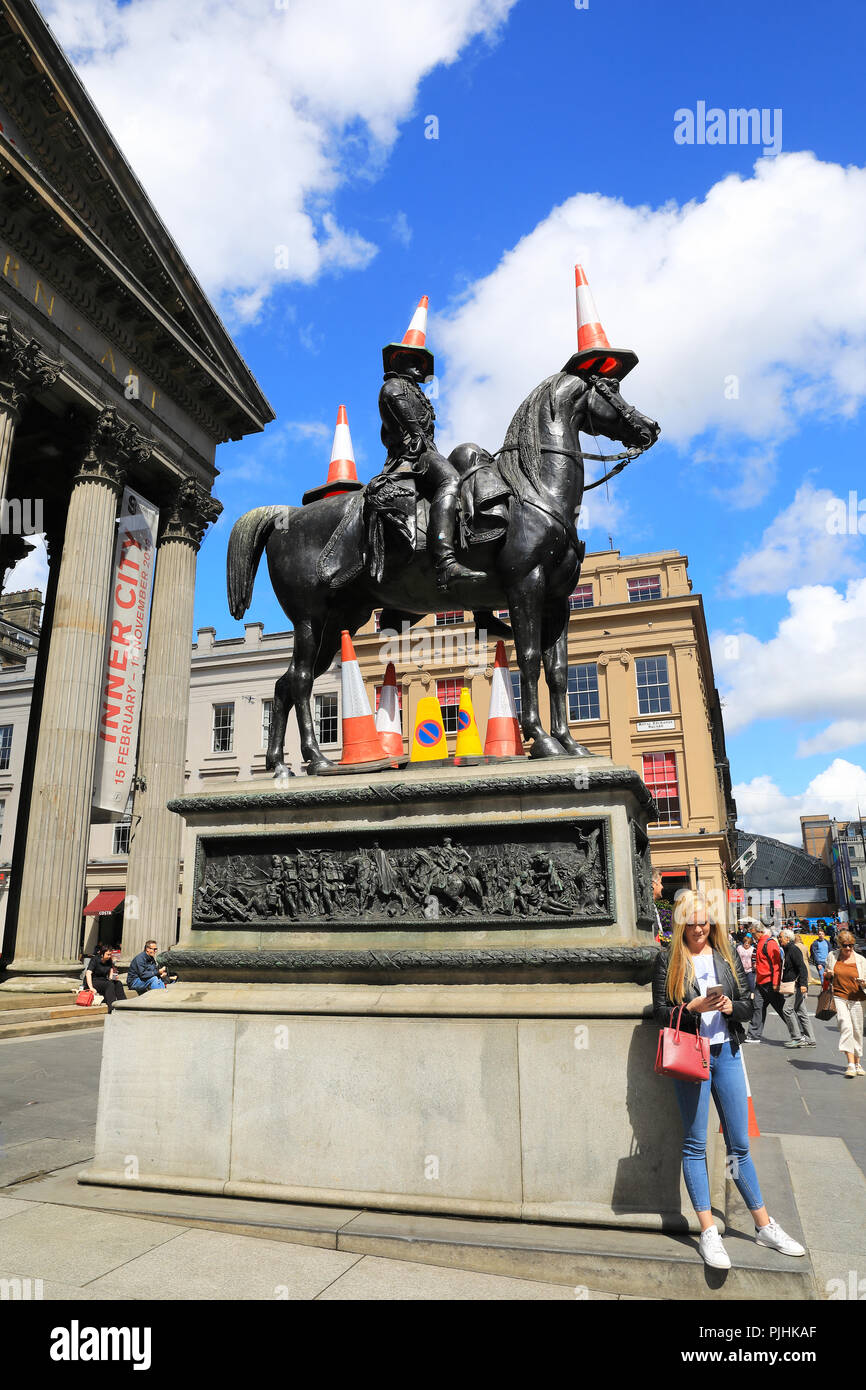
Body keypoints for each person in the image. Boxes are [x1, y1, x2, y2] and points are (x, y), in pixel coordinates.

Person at [652, 891, 805, 1269]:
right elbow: (659, 1011)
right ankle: (708, 1231)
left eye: (704, 922)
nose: (699, 928)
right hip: (692, 1056)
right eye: (692, 923)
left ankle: (764, 1225)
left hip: (728, 1054)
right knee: (694, 1144)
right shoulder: (668, 961)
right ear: (680, 924)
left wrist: (727, 1006)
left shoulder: (725, 957)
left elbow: (749, 1005)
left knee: (739, 1144)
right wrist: (690, 1007)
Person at [823, 930, 866, 1078]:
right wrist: (828, 975)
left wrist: (864, 983)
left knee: (857, 1031)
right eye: (845, 945)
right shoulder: (832, 956)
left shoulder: (861, 960)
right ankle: (850, 1064)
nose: (848, 948)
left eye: (851, 945)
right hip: (839, 996)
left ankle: (857, 1061)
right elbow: (828, 976)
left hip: (858, 998)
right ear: (840, 945)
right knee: (846, 1026)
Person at [745, 923, 797, 1043]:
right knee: (757, 1007)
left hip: (769, 983)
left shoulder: (769, 943)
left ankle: (798, 1033)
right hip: (761, 982)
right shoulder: (761, 943)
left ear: (759, 932)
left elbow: (776, 965)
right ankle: (753, 1035)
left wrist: (775, 983)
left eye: (753, 933)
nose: (752, 936)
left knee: (781, 1009)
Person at [778, 928, 816, 1048]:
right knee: (801, 1011)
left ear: (787, 938)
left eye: (780, 937)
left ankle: (797, 1037)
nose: (779, 939)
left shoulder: (793, 949)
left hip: (796, 985)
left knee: (787, 1010)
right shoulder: (787, 949)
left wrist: (804, 984)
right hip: (793, 985)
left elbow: (802, 968)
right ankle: (810, 1039)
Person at [84, 945, 126, 1013]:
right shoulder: (95, 959)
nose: (109, 956)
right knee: (109, 984)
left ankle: (124, 1005)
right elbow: (88, 973)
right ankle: (112, 1008)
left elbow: (110, 970)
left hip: (103, 980)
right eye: (108, 954)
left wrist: (112, 977)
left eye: (110, 954)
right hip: (93, 981)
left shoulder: (109, 960)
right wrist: (91, 988)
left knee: (118, 983)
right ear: (102, 953)